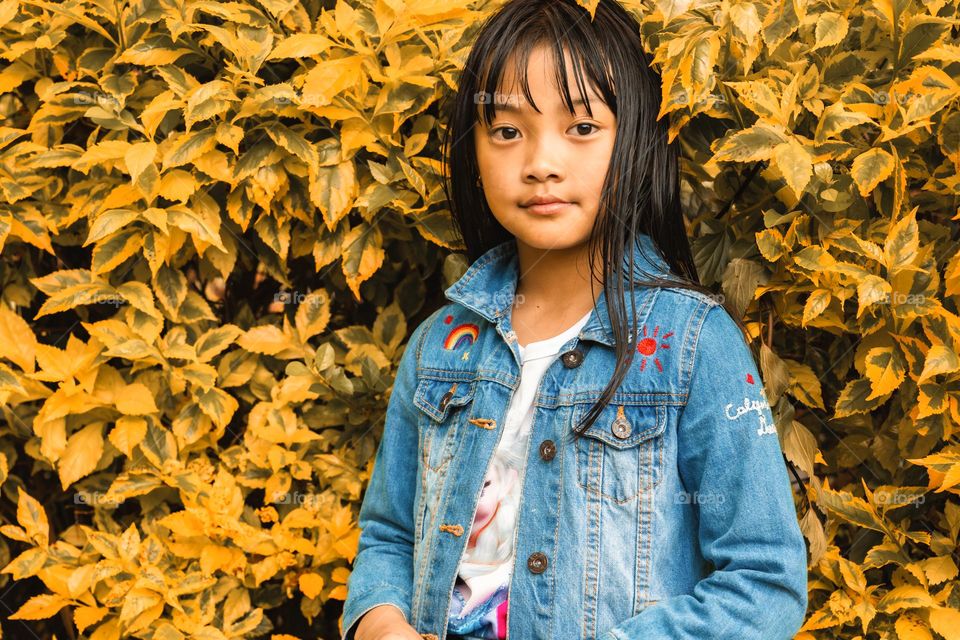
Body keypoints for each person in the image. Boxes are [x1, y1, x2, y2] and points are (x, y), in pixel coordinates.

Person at [340, 0, 809, 638]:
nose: (541, 162)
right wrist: (380, 622)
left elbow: (764, 582)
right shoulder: (439, 348)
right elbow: (390, 534)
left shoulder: (692, 348)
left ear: (637, 139)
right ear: (473, 149)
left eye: (582, 127)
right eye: (507, 131)